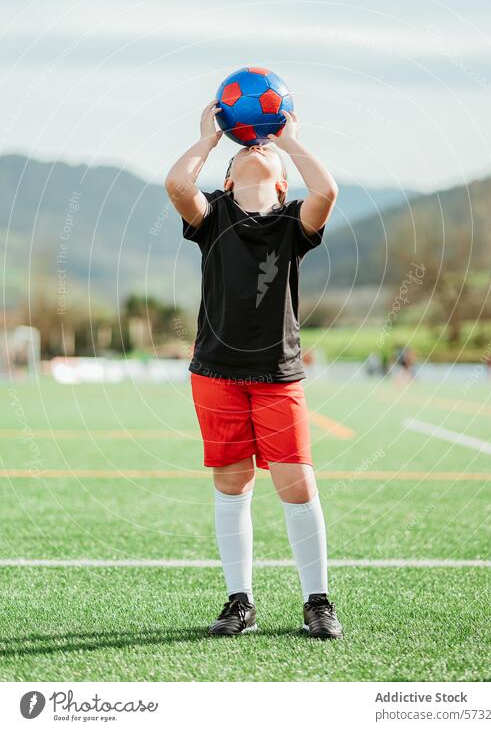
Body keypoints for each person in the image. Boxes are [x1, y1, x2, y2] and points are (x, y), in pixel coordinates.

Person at [165, 101, 343, 639]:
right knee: (232, 483)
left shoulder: (293, 223)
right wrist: (208, 138)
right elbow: (177, 185)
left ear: (284, 185)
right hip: (215, 371)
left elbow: (327, 192)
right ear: (225, 176)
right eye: (246, 149)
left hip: (277, 373)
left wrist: (288, 141)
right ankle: (239, 601)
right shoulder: (213, 215)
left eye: (265, 151)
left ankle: (317, 601)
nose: (255, 148)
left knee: (296, 484)